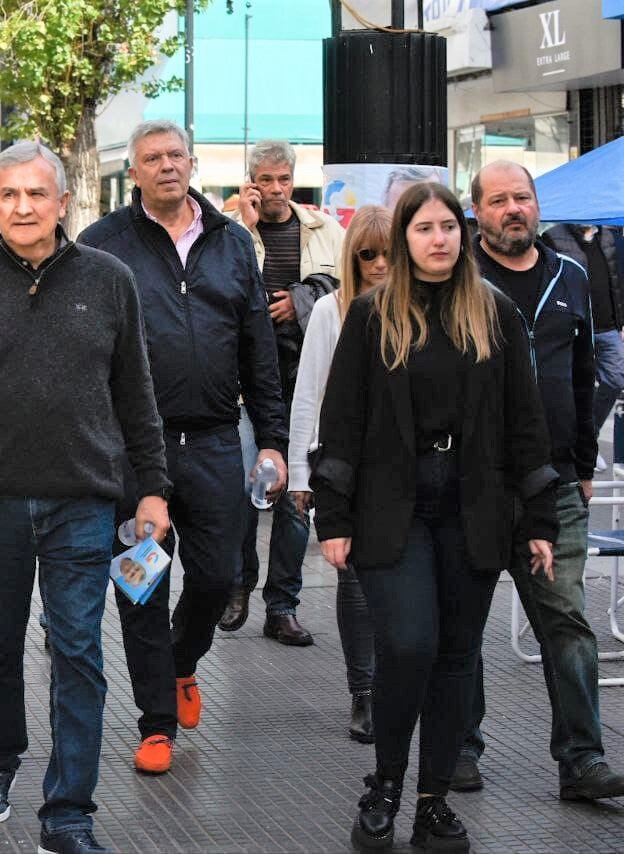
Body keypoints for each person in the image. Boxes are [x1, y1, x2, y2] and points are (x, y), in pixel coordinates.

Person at [0, 141, 171, 854]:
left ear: (63, 203)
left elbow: (136, 396)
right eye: (9, 196)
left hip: (84, 500)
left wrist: (152, 490)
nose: (22, 208)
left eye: (36, 195)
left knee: (80, 650)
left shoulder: (109, 281)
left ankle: (69, 813)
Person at [312, 181, 557, 851]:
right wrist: (332, 517)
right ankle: (386, 785)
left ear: (463, 231)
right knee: (409, 644)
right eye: (424, 228)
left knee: (456, 657)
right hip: (392, 512)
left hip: (473, 511)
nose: (439, 238)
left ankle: (432, 800)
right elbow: (342, 423)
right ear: (403, 239)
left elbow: (525, 423)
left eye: (449, 225)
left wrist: (539, 520)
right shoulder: (371, 316)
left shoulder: (494, 313)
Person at [78, 120, 287, 775]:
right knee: (140, 585)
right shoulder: (102, 245)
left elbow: (260, 347)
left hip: (219, 442)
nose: (166, 166)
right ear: (132, 172)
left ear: (192, 162)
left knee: (221, 575)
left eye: (175, 155)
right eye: (151, 158)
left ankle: (182, 663)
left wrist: (274, 442)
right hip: (133, 453)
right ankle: (156, 724)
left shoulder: (231, 243)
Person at [456, 161, 624, 801]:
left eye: (521, 197)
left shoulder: (572, 276)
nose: (512, 209)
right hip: (471, 487)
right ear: (478, 212)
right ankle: (460, 751)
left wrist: (583, 466)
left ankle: (582, 760)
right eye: (498, 200)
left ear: (537, 204)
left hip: (553, 486)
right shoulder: (456, 280)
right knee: (461, 627)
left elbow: (586, 376)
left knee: (567, 624)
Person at [224, 139, 345, 645]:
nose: (275, 190)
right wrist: (245, 228)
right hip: (243, 387)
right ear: (250, 180)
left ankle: (282, 605)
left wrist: (298, 299)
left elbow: (344, 282)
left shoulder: (322, 229)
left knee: (297, 496)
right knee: (242, 492)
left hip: (302, 382)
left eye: (284, 180)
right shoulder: (227, 229)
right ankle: (238, 584)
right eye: (266, 180)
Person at [288, 205, 391, 745]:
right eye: (365, 254)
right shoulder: (331, 311)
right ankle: (365, 692)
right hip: (345, 468)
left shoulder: (416, 309)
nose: (377, 264)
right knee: (352, 581)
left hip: (401, 469)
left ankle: (393, 691)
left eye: (386, 253)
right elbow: (308, 393)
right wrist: (303, 474)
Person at [541, 222, 622, 441]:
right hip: (575, 324)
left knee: (616, 378)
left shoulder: (608, 233)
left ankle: (587, 435)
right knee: (576, 384)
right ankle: (578, 440)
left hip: (608, 325)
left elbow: (616, 277)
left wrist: (620, 321)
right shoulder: (553, 236)